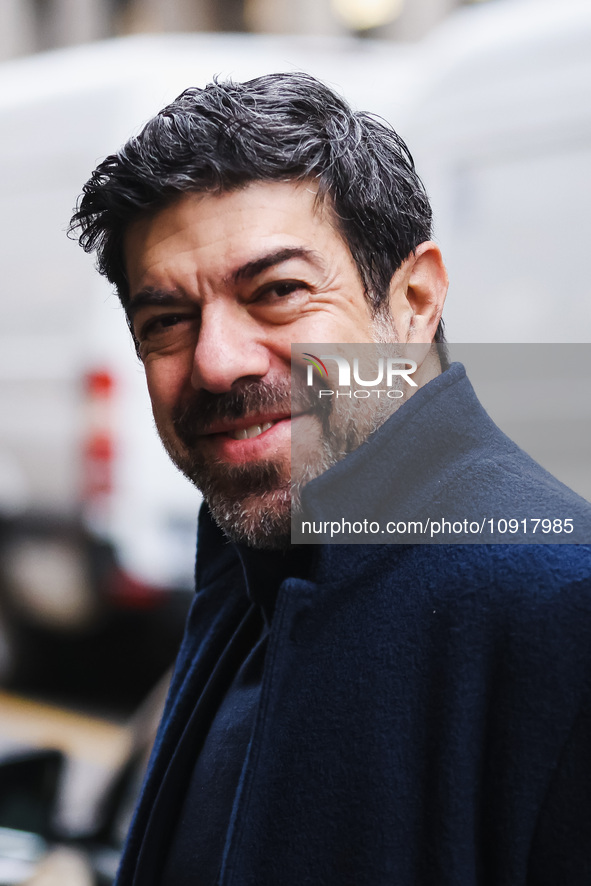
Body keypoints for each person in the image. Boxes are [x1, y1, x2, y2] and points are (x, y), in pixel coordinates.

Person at [70, 73, 591, 885]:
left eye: (277, 292)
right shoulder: (255, 571)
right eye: (166, 321)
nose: (216, 361)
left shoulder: (558, 606)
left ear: (413, 300)